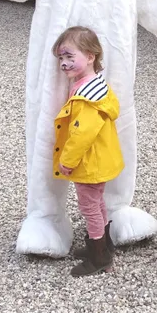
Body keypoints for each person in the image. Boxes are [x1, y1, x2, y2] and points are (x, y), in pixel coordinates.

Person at [52, 26, 124, 276]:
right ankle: (104, 244)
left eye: (70, 56)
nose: (64, 63)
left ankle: (98, 257)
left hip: (89, 163)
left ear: (91, 56)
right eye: (61, 58)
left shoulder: (86, 97)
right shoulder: (96, 85)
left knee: (89, 207)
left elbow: (82, 133)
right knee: (97, 203)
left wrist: (67, 160)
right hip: (100, 160)